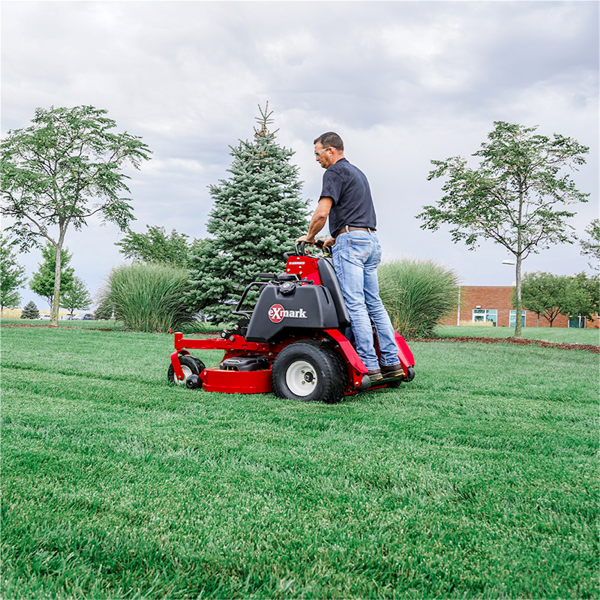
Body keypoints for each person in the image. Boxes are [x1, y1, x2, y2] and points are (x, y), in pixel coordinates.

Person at [297, 132, 403, 382]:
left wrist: (310, 237)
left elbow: (322, 213)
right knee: (374, 304)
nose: (317, 159)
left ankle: (368, 365)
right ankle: (390, 362)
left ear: (330, 150)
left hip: (352, 244)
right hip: (370, 241)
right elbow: (355, 214)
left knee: (354, 305)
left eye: (317, 153)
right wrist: (334, 237)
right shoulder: (358, 173)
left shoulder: (333, 173)